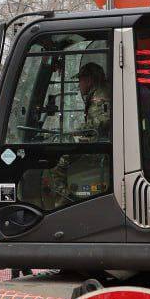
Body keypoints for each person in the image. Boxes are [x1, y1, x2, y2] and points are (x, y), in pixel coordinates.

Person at [46, 60, 110, 207]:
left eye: (81, 80)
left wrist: (75, 131)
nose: (79, 84)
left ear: (89, 80)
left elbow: (99, 124)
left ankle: (63, 201)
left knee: (57, 161)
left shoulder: (100, 95)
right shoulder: (100, 92)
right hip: (99, 142)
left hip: (99, 146)